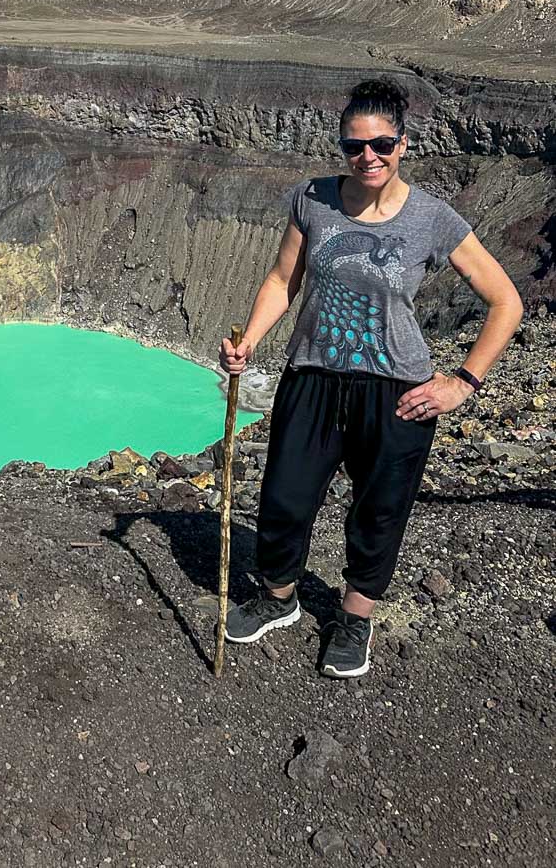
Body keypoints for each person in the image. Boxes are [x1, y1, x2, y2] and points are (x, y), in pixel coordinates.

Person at [220, 77, 522, 678]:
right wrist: (249, 340)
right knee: (284, 495)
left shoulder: (432, 219)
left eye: (382, 144)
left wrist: (462, 382)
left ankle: (356, 617)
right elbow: (284, 281)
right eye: (355, 146)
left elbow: (505, 301)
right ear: (341, 145)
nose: (369, 157)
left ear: (403, 143)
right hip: (313, 375)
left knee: (379, 510)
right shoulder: (314, 198)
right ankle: (278, 596)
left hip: (396, 389)